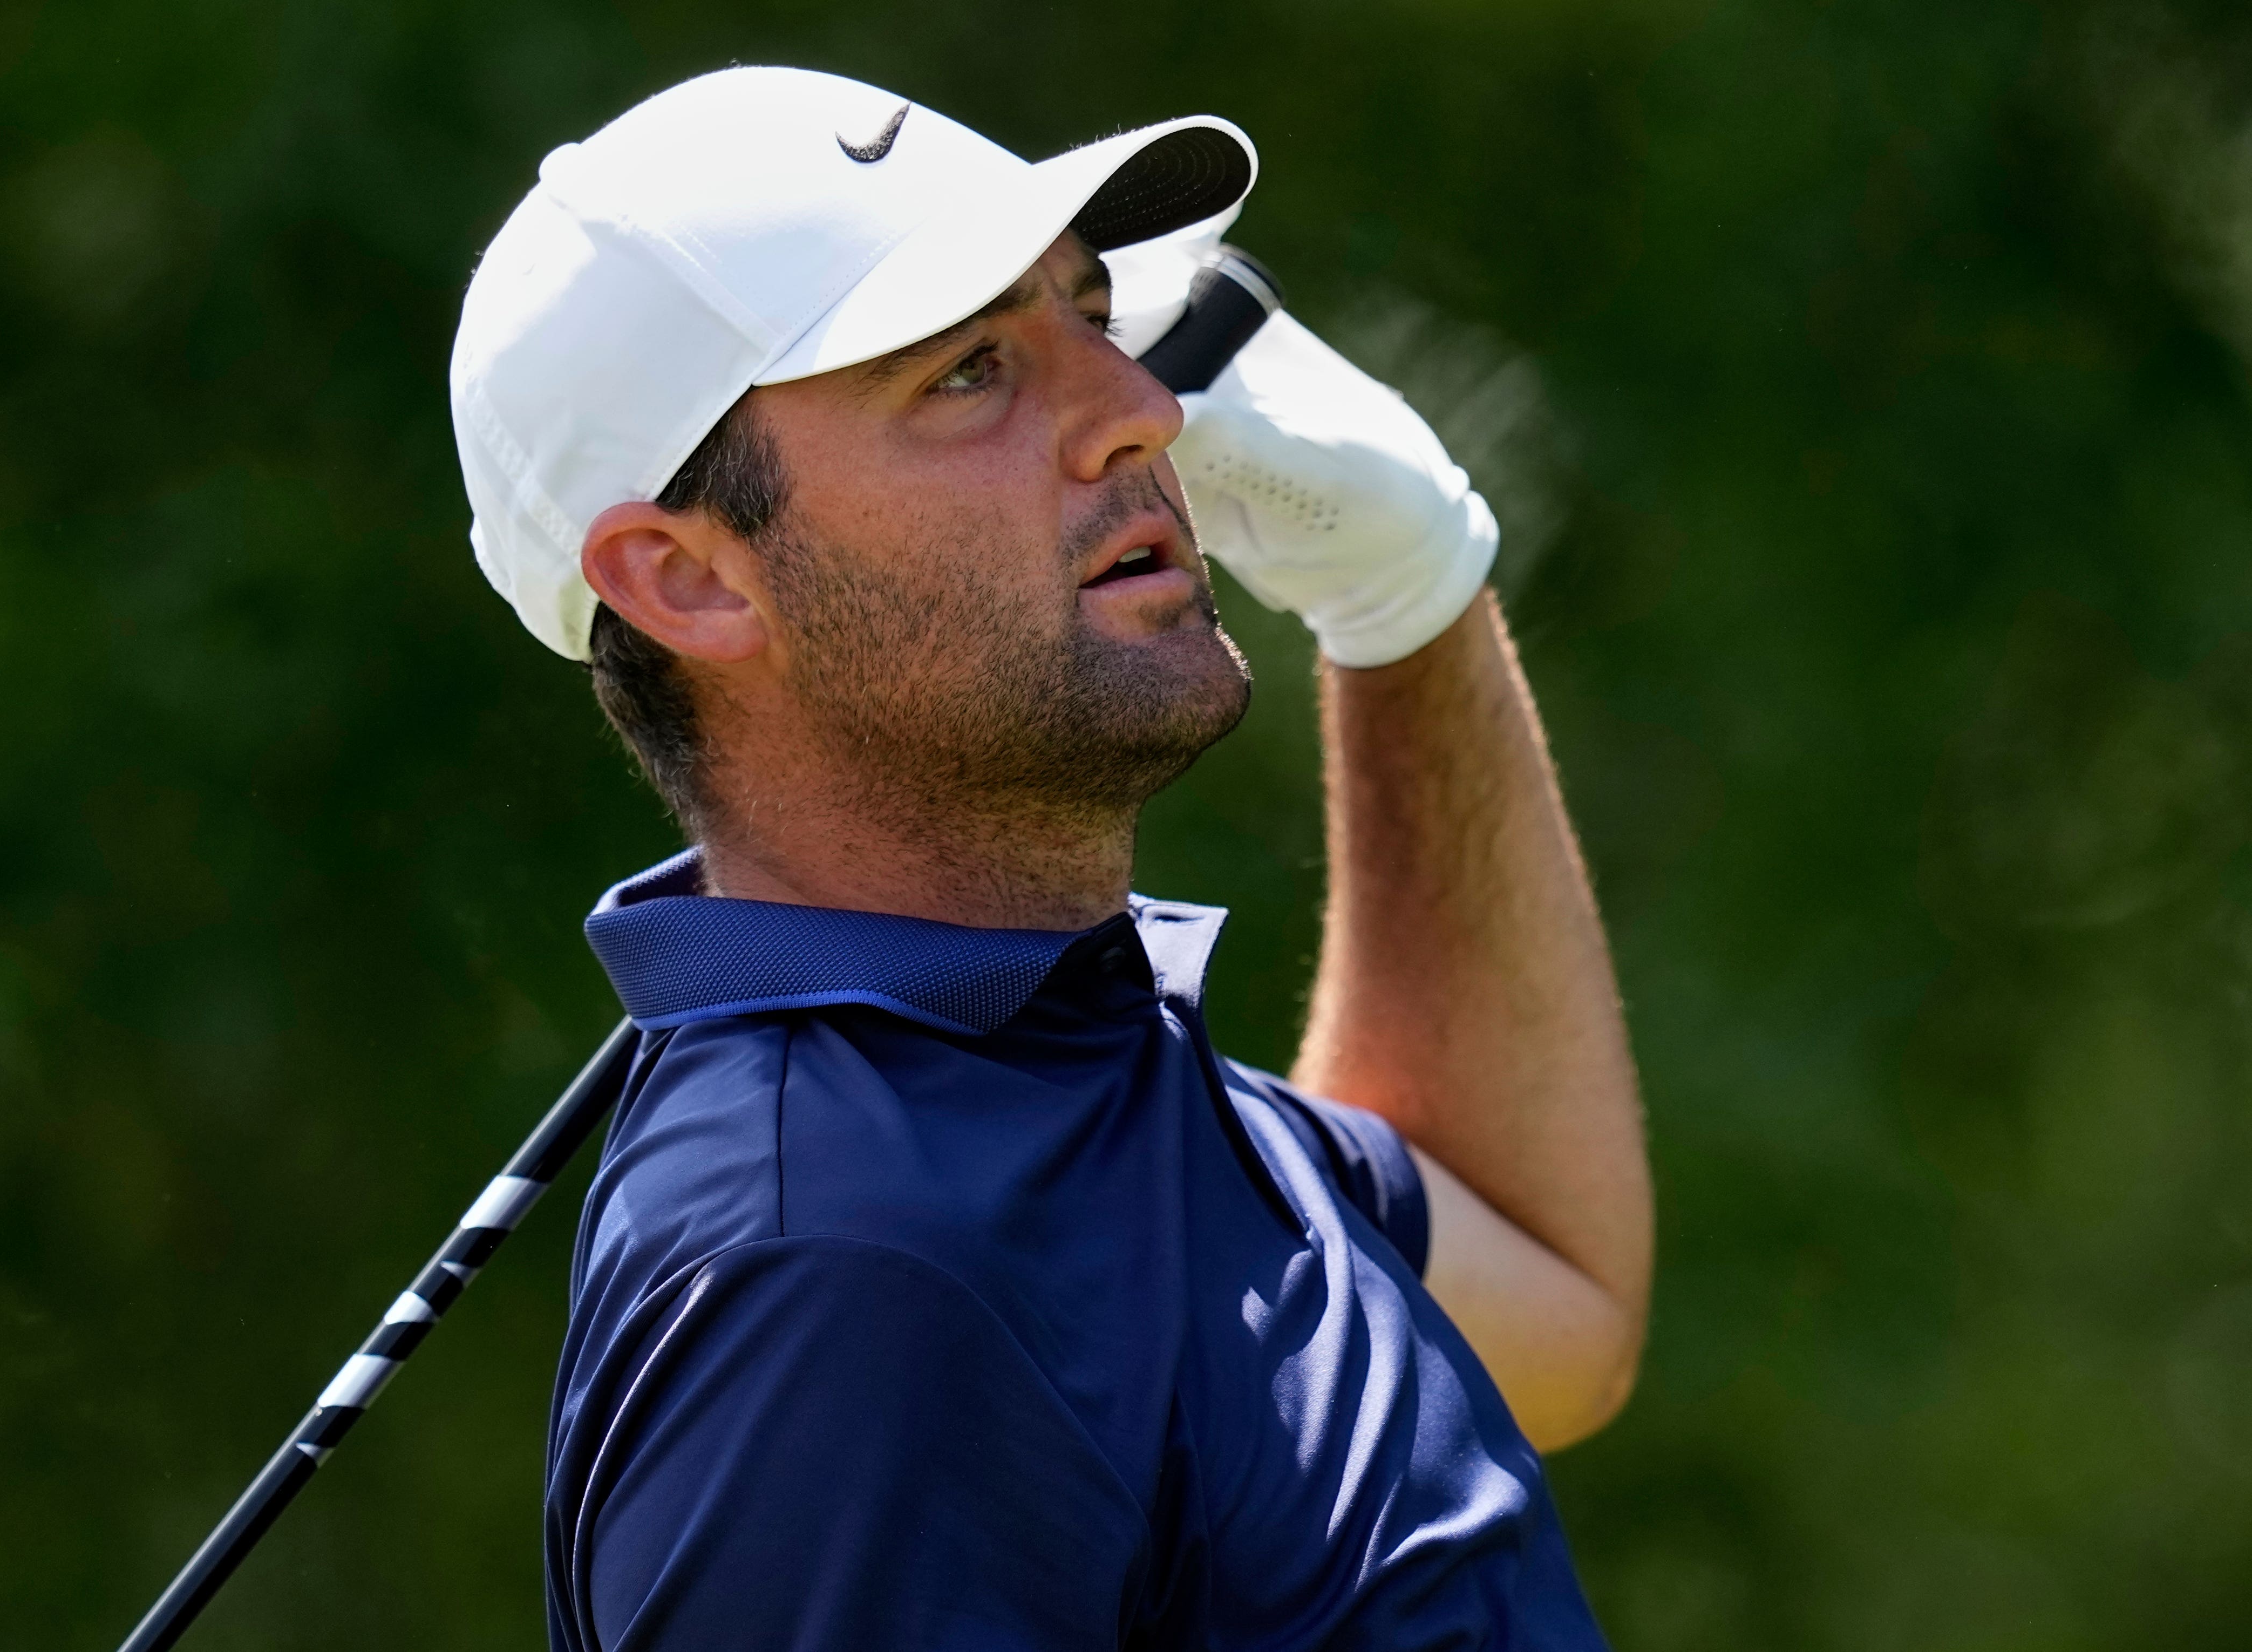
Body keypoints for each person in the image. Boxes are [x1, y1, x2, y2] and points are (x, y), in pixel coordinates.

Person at [449, 64, 1650, 1652]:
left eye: (1095, 315)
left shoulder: (1070, 1057)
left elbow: (1556, 1300)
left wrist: (1408, 602)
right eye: (968, 372)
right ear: (689, 579)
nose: (1141, 407)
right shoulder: (835, 1272)